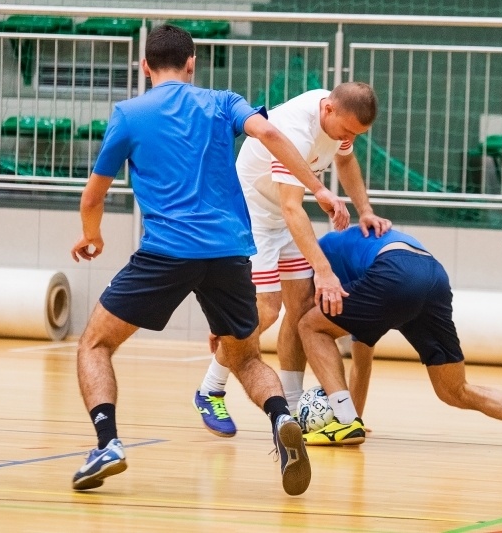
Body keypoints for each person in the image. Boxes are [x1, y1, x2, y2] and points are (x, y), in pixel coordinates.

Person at [69, 24, 349, 496]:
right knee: (245, 357)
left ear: (144, 66)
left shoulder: (129, 114)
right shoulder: (223, 102)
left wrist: (91, 236)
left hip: (166, 251)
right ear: (192, 64)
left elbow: (94, 196)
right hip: (228, 252)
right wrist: (319, 187)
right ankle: (282, 418)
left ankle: (107, 443)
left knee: (95, 344)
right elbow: (269, 133)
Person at [194, 82, 392, 437]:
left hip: (283, 214)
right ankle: (210, 389)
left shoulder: (341, 122)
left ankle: (293, 404)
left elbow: (345, 159)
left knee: (300, 309)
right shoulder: (297, 129)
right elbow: (291, 207)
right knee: (268, 309)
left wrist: (365, 210)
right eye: (347, 130)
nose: (349, 137)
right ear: (328, 109)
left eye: (356, 133)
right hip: (251, 212)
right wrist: (325, 271)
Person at [295, 226, 502, 450]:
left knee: (309, 325)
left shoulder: (317, 260)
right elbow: (362, 361)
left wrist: (348, 421)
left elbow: (310, 314)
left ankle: (346, 422)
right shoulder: (354, 273)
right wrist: (356, 417)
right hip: (432, 274)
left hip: (395, 270)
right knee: (455, 391)